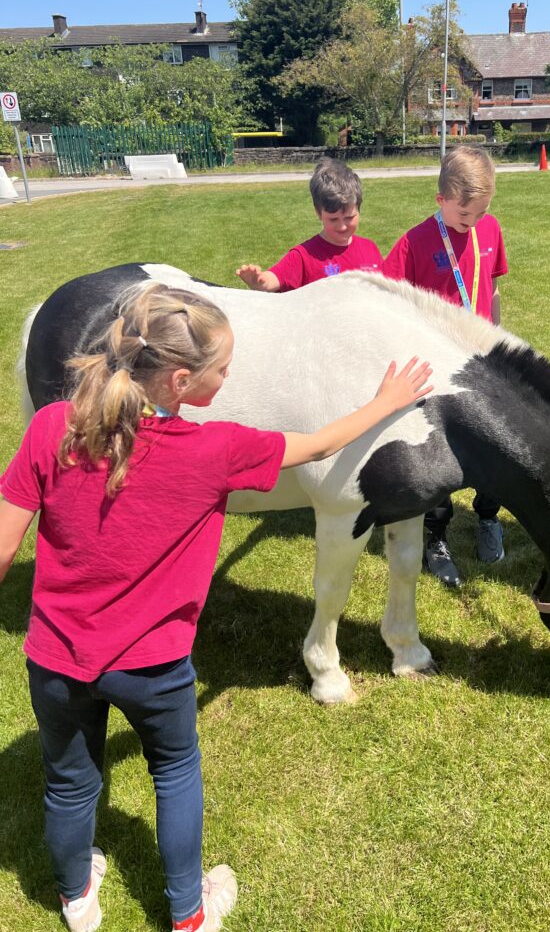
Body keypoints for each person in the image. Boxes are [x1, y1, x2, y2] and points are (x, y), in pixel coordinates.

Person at [0, 281, 432, 932]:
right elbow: (316, 447)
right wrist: (385, 403)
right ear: (179, 381)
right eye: (222, 368)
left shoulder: (48, 429)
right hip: (155, 667)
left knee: (67, 782)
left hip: (57, 659)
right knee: (174, 774)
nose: (230, 378)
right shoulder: (217, 449)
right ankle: (188, 913)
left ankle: (76, 900)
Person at [382, 145, 509, 588]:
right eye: (463, 215)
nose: (473, 223)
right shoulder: (413, 243)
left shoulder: (489, 227)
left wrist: (497, 339)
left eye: (480, 213)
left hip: (479, 360)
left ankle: (489, 516)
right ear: (441, 200)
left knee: (491, 444)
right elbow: (390, 305)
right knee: (438, 455)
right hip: (435, 366)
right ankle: (436, 534)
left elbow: (490, 288)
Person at [236, 159, 382, 292]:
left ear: (359, 209)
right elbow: (275, 278)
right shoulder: (303, 256)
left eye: (349, 217)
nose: (342, 226)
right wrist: (258, 282)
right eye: (333, 219)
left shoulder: (370, 248)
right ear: (318, 213)